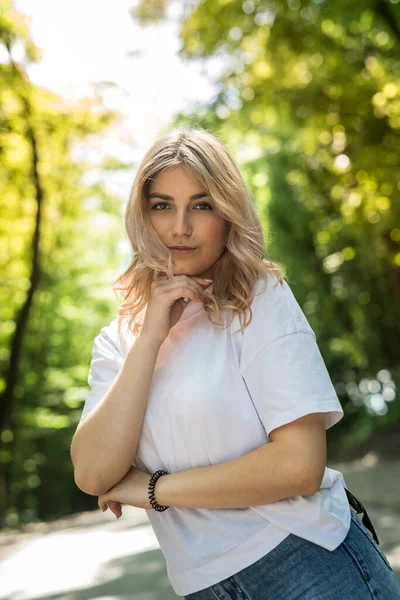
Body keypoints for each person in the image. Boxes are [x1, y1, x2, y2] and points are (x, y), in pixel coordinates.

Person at [70, 128, 400, 599]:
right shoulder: (118, 342)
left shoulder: (258, 298)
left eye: (201, 205)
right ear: (142, 216)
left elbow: (299, 466)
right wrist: (150, 338)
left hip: (308, 564)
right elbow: (93, 474)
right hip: (205, 587)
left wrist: (151, 490)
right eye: (162, 205)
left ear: (227, 215)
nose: (180, 227)